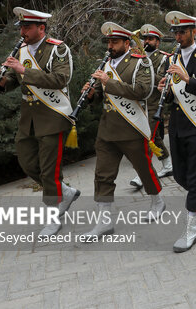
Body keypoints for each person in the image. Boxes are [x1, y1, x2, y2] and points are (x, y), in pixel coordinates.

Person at [0, 7, 80, 236]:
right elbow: (13, 80)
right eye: (21, 27)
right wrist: (2, 81)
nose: (23, 31)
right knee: (27, 162)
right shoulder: (21, 49)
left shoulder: (57, 49)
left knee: (50, 170)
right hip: (28, 118)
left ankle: (53, 216)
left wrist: (24, 70)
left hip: (53, 115)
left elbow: (61, 79)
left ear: (41, 28)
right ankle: (65, 192)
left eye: (27, 27)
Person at [80, 22, 164, 240]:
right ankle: (104, 222)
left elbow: (143, 91)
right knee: (103, 176)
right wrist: (91, 94)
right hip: (107, 129)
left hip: (131, 128)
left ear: (127, 43)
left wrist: (108, 83)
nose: (110, 46)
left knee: (144, 170)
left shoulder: (140, 63)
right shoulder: (105, 63)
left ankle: (157, 200)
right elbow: (101, 94)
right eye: (108, 42)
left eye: (115, 42)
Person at [158, 11, 196, 252]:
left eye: (182, 31)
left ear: (194, 33)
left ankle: (190, 231)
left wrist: (186, 78)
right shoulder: (169, 59)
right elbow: (173, 94)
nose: (178, 36)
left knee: (193, 179)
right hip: (176, 123)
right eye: (175, 32)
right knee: (181, 176)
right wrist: (165, 88)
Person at [129, 24, 173, 189]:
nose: (147, 41)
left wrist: (144, 66)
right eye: (145, 38)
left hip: (154, 102)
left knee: (147, 138)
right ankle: (168, 165)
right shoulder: (136, 56)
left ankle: (143, 175)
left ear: (158, 42)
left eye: (150, 39)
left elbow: (161, 79)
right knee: (155, 138)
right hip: (138, 103)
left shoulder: (163, 58)